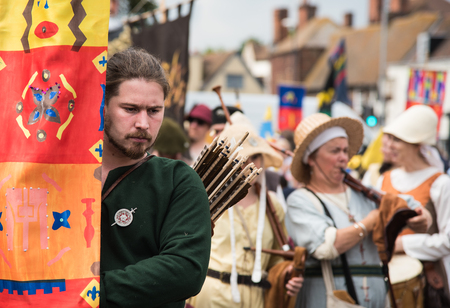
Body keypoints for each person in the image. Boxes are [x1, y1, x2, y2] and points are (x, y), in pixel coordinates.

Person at [99, 47, 212, 308]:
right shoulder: (62, 173)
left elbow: (185, 269)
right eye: (130, 109)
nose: (143, 123)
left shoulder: (178, 181)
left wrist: (90, 293)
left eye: (153, 111)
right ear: (103, 105)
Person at [285, 113, 429, 307]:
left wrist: (421, 218)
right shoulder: (300, 200)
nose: (343, 158)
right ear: (311, 158)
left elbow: (410, 205)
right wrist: (370, 222)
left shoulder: (364, 193)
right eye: (335, 151)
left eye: (345, 151)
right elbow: (326, 246)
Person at [187, 118, 303, 308]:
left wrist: (288, 275)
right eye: (242, 157)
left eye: (255, 156)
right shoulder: (205, 198)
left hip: (257, 299)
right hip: (212, 298)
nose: (249, 163)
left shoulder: (273, 205)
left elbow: (277, 258)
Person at [379, 105, 450, 301]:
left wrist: (402, 244)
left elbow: (448, 241)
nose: (390, 145)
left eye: (398, 140)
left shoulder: (440, 183)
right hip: (387, 275)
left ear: (417, 145)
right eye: (390, 138)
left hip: (426, 279)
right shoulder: (384, 179)